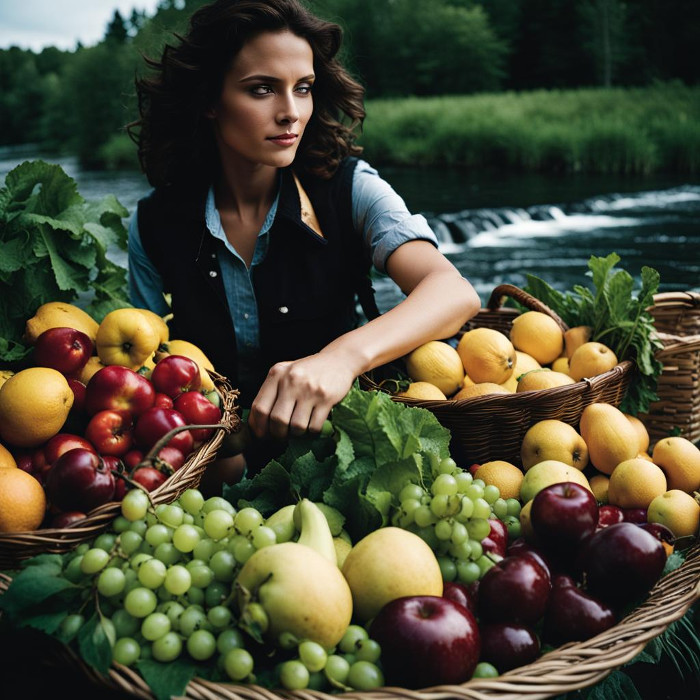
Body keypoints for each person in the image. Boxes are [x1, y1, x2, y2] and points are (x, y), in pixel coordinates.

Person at [126, 0, 480, 484]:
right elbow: (142, 368)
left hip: (348, 464)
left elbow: (454, 292)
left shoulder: (350, 187)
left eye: (304, 88)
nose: (291, 113)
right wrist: (217, 451)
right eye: (262, 90)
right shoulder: (153, 222)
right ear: (210, 100)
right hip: (204, 477)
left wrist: (342, 358)